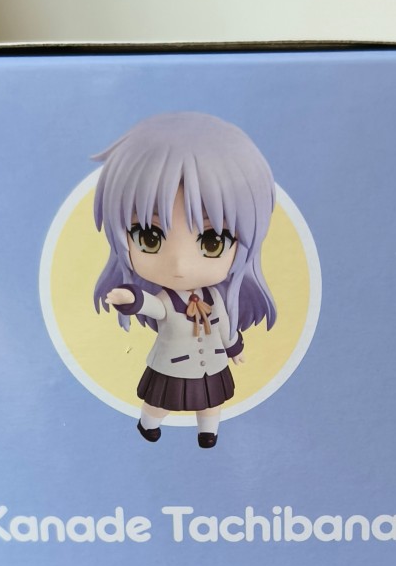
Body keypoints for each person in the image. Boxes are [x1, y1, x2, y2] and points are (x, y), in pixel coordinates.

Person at [92, 112, 277, 448]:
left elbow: (224, 325)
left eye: (212, 241)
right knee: (160, 401)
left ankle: (209, 432)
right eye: (149, 237)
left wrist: (234, 347)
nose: (179, 263)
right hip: (172, 364)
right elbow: (150, 305)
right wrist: (130, 298)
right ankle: (148, 424)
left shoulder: (215, 299)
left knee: (211, 401)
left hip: (212, 362)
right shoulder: (168, 301)